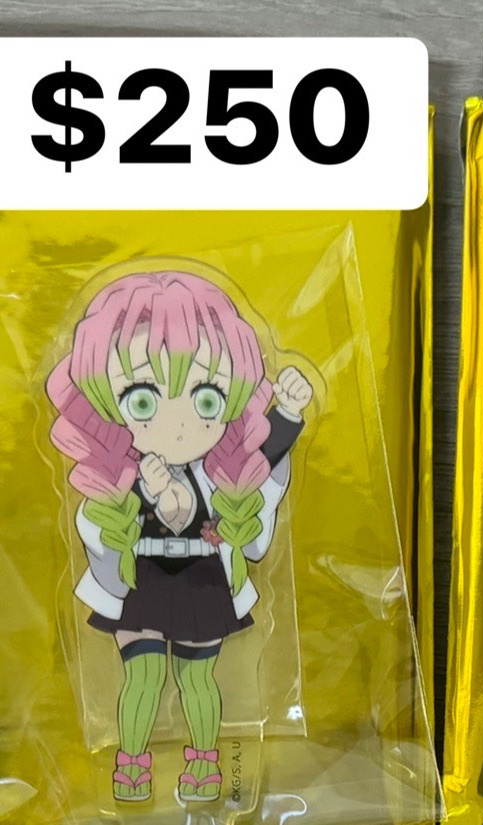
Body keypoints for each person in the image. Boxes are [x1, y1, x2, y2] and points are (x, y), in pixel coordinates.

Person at [46, 269, 313, 803]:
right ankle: (131, 765)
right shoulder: (118, 476)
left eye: (207, 399)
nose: (179, 424)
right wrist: (144, 495)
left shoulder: (222, 473)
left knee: (196, 679)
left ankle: (206, 765)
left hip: (202, 578)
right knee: (143, 677)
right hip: (142, 577)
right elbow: (99, 528)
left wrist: (287, 412)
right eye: (142, 400)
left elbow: (262, 461)